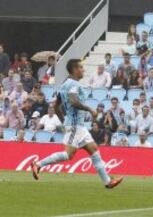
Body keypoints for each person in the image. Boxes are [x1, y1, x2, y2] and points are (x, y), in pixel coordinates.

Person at [31, 59, 123, 188]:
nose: (83, 70)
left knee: (94, 150)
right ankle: (38, 164)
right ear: (74, 69)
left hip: (77, 125)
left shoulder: (64, 85)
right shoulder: (74, 84)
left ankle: (107, 181)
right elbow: (73, 101)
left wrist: (64, 120)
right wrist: (90, 109)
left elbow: (56, 105)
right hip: (75, 125)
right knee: (68, 155)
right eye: (81, 67)